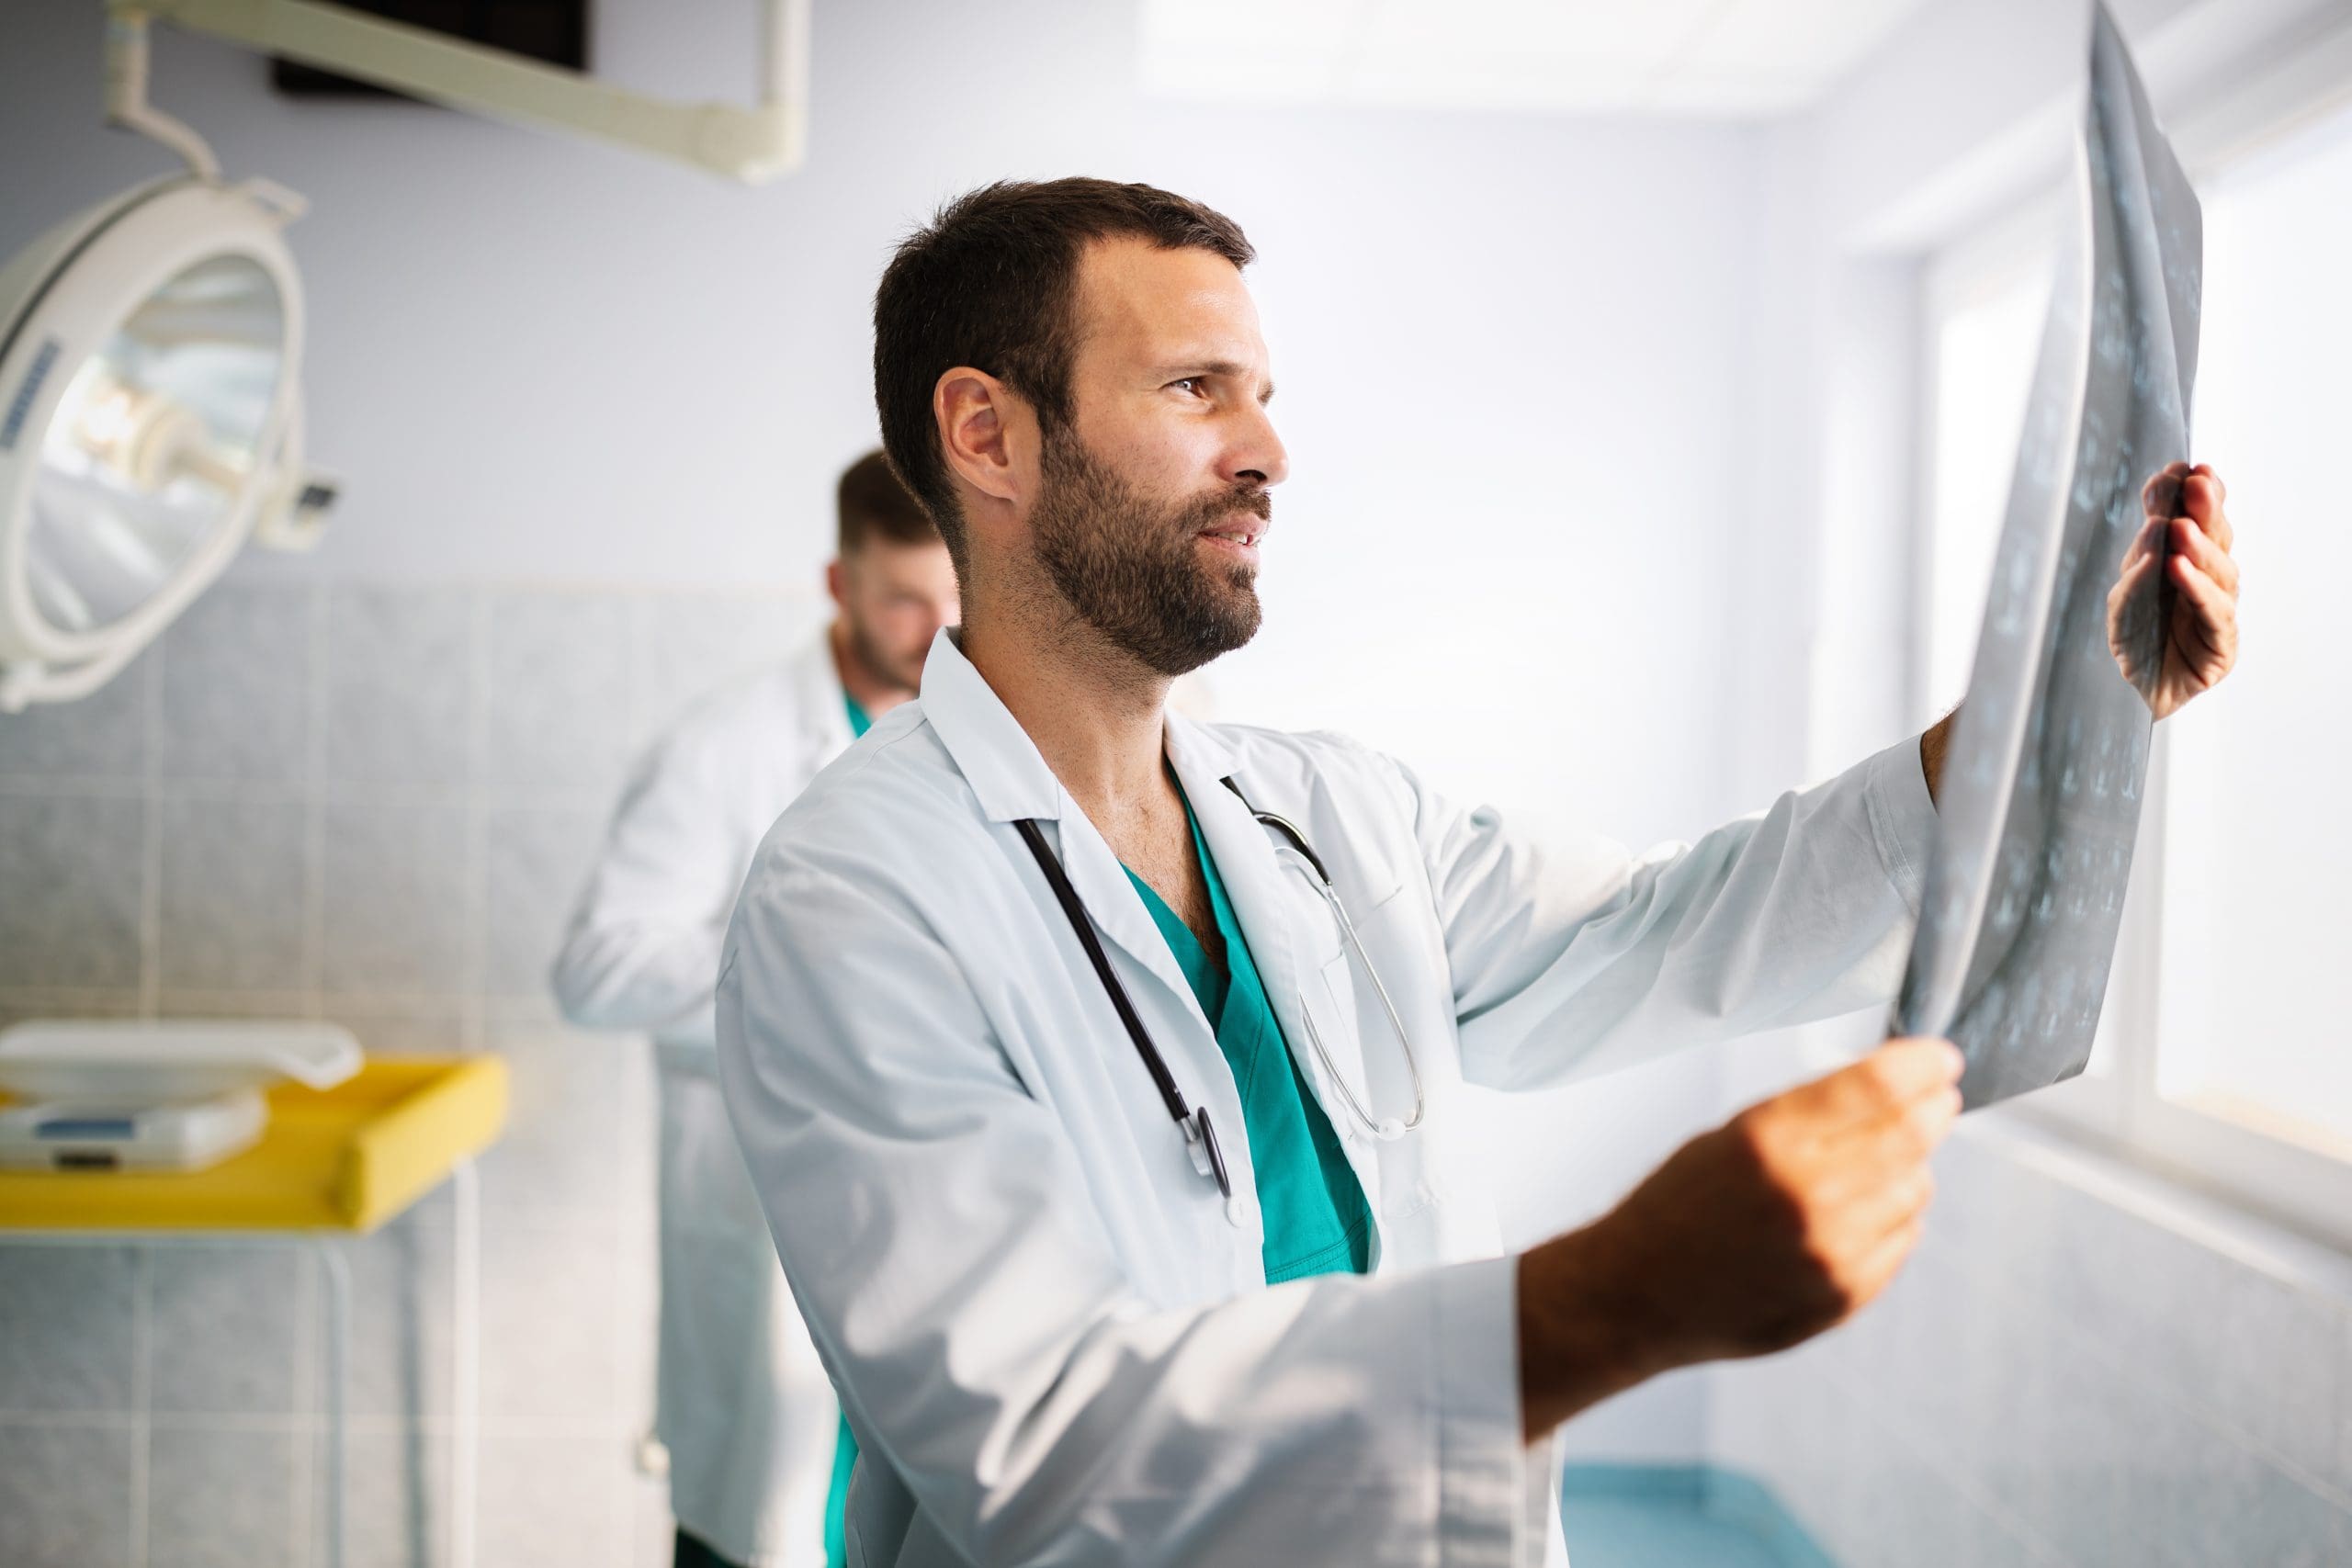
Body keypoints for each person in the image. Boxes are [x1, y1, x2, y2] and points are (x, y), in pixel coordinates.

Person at [713, 179, 2242, 1567]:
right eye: (1195, 390)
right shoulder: (853, 895)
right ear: (989, 435)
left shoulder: (1322, 809)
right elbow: (1043, 1450)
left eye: (1263, 396)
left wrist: (2065, 716)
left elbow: (1671, 925)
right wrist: (1610, 1298)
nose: (1268, 455)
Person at [552, 450, 958, 1568]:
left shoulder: (985, 746)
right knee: (767, 1527)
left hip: (941, 1247)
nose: (935, 631)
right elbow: (596, 968)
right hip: (770, 1225)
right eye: (901, 601)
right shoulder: (723, 748)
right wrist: (797, 956)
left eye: (951, 598)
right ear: (839, 586)